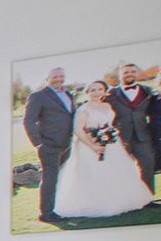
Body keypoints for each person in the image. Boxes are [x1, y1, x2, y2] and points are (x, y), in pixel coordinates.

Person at [54, 80, 155, 219]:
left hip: (112, 144)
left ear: (104, 91)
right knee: (95, 174)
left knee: (116, 171)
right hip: (89, 145)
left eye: (100, 89)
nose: (97, 93)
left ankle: (120, 200)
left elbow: (110, 124)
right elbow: (78, 130)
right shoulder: (83, 109)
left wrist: (111, 135)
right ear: (87, 92)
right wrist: (94, 146)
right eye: (93, 90)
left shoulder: (107, 105)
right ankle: (98, 203)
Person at [21, 66, 74, 223]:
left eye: (61, 76)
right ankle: (46, 213)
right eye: (54, 77)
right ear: (47, 79)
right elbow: (28, 121)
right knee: (50, 179)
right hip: (48, 145)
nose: (58, 79)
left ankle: (59, 207)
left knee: (61, 177)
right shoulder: (38, 96)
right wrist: (38, 144)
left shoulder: (69, 94)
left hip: (67, 144)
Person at [108, 62, 158, 192]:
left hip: (143, 135)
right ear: (120, 75)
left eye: (132, 72)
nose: (129, 74)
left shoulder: (147, 91)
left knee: (148, 164)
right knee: (122, 169)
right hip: (120, 137)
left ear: (137, 73)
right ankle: (125, 196)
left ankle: (147, 197)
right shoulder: (110, 94)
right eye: (126, 72)